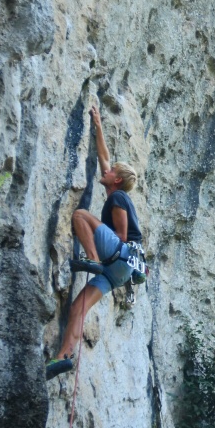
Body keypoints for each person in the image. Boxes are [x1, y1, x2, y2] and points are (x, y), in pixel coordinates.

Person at [46, 106, 144, 379]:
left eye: (112, 170)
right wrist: (98, 124)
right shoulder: (113, 187)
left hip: (119, 255)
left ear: (118, 180)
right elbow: (104, 157)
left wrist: (96, 259)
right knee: (78, 307)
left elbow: (123, 237)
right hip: (118, 272)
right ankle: (62, 357)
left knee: (80, 216)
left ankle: (93, 261)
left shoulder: (118, 198)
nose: (107, 168)